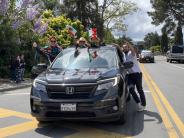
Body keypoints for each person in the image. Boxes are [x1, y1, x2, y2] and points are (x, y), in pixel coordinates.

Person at [122, 42, 146, 111]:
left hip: (137, 74)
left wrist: (128, 44)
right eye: (123, 47)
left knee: (139, 90)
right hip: (129, 75)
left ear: (128, 48)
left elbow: (133, 50)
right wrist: (116, 45)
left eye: (126, 47)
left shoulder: (131, 53)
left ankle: (143, 105)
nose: (124, 48)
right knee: (131, 89)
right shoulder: (123, 55)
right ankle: (138, 103)